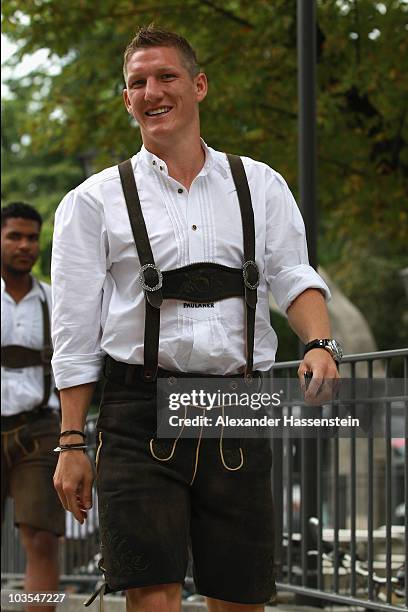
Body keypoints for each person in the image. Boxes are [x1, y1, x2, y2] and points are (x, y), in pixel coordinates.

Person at [52, 26, 341, 612]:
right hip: (137, 410)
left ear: (199, 85)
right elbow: (76, 334)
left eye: (166, 76)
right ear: (126, 98)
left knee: (240, 597)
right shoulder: (92, 201)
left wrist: (319, 342)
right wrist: (71, 441)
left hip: (237, 403)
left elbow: (294, 275)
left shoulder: (260, 185)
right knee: (152, 594)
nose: (152, 91)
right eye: (138, 82)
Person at [1, 202, 64, 612]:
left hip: (40, 427)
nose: (25, 245)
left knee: (42, 538)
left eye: (32, 238)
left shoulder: (54, 300)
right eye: (14, 236)